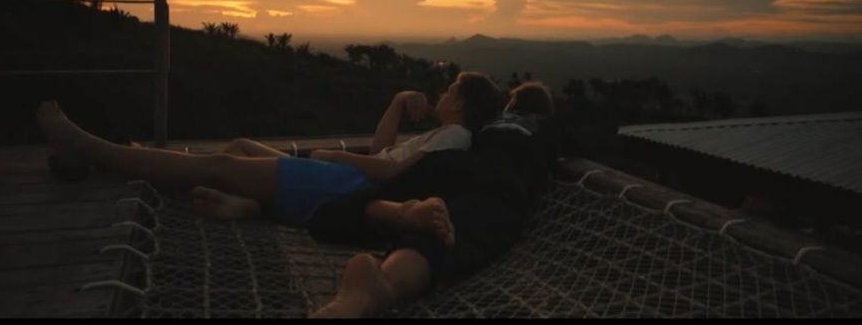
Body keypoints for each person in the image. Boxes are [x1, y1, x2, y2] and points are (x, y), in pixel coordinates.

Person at [38, 71, 504, 230]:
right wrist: (398, 102)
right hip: (342, 179)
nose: (441, 93)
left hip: (344, 183)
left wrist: (336, 157)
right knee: (240, 148)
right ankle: (250, 203)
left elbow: (389, 175)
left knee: (219, 164)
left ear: (461, 104)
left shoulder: (454, 138)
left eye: (449, 90)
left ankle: (90, 148)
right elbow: (384, 151)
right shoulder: (445, 135)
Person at [308, 80, 558, 318]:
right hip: (498, 180)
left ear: (511, 104)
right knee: (451, 225)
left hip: (453, 164)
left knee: (393, 196)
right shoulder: (542, 129)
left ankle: (336, 218)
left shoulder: (490, 125)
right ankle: (384, 281)